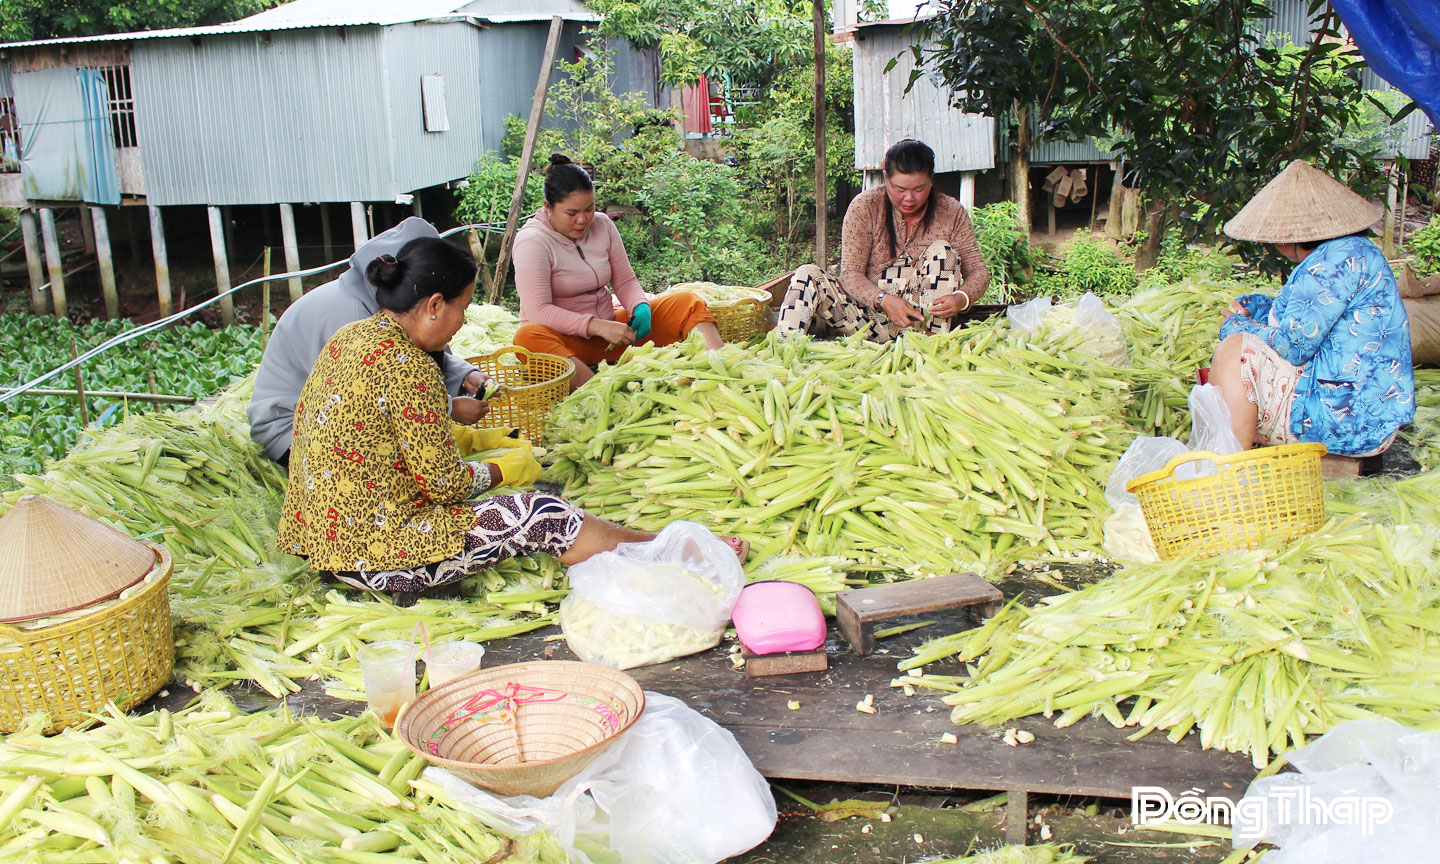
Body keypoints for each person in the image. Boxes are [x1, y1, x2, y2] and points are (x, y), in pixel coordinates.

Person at [280, 237, 747, 604]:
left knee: (517, 506)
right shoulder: (411, 366)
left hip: (325, 540)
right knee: (544, 513)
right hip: (379, 556)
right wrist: (505, 469)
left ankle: (661, 545)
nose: (463, 322)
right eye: (462, 308)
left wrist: (468, 440)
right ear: (434, 305)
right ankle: (670, 549)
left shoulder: (353, 336)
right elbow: (445, 486)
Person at [1210, 159, 1414, 456]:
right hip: (1370, 417)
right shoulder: (1355, 250)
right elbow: (1316, 319)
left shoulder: (1328, 265)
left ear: (1290, 237)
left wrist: (1237, 326)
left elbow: (1293, 346)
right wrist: (1260, 310)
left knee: (1233, 351)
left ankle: (1231, 465)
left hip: (1346, 425)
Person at [248, 218, 489, 467]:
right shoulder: (354, 321)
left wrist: (462, 374)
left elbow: (417, 358)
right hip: (291, 431)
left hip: (328, 422)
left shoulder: (393, 312)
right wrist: (448, 409)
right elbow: (374, 401)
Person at [512, 154, 724, 391]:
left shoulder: (602, 225)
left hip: (611, 335)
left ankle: (720, 369)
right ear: (548, 207)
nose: (582, 220)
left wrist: (639, 306)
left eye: (589, 209)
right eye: (572, 213)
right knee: (527, 338)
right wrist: (596, 326)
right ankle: (599, 392)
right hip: (565, 343)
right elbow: (538, 310)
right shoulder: (532, 241)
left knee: (688, 303)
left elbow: (624, 280)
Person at [776, 139, 990, 341]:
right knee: (807, 275)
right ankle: (786, 351)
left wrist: (961, 298)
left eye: (919, 189)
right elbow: (850, 274)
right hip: (865, 318)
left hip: (923, 323)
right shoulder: (864, 207)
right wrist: (883, 299)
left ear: (931, 180)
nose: (909, 198)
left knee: (943, 253)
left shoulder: (951, 211)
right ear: (886, 177)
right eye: (900, 189)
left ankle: (929, 348)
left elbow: (979, 271)